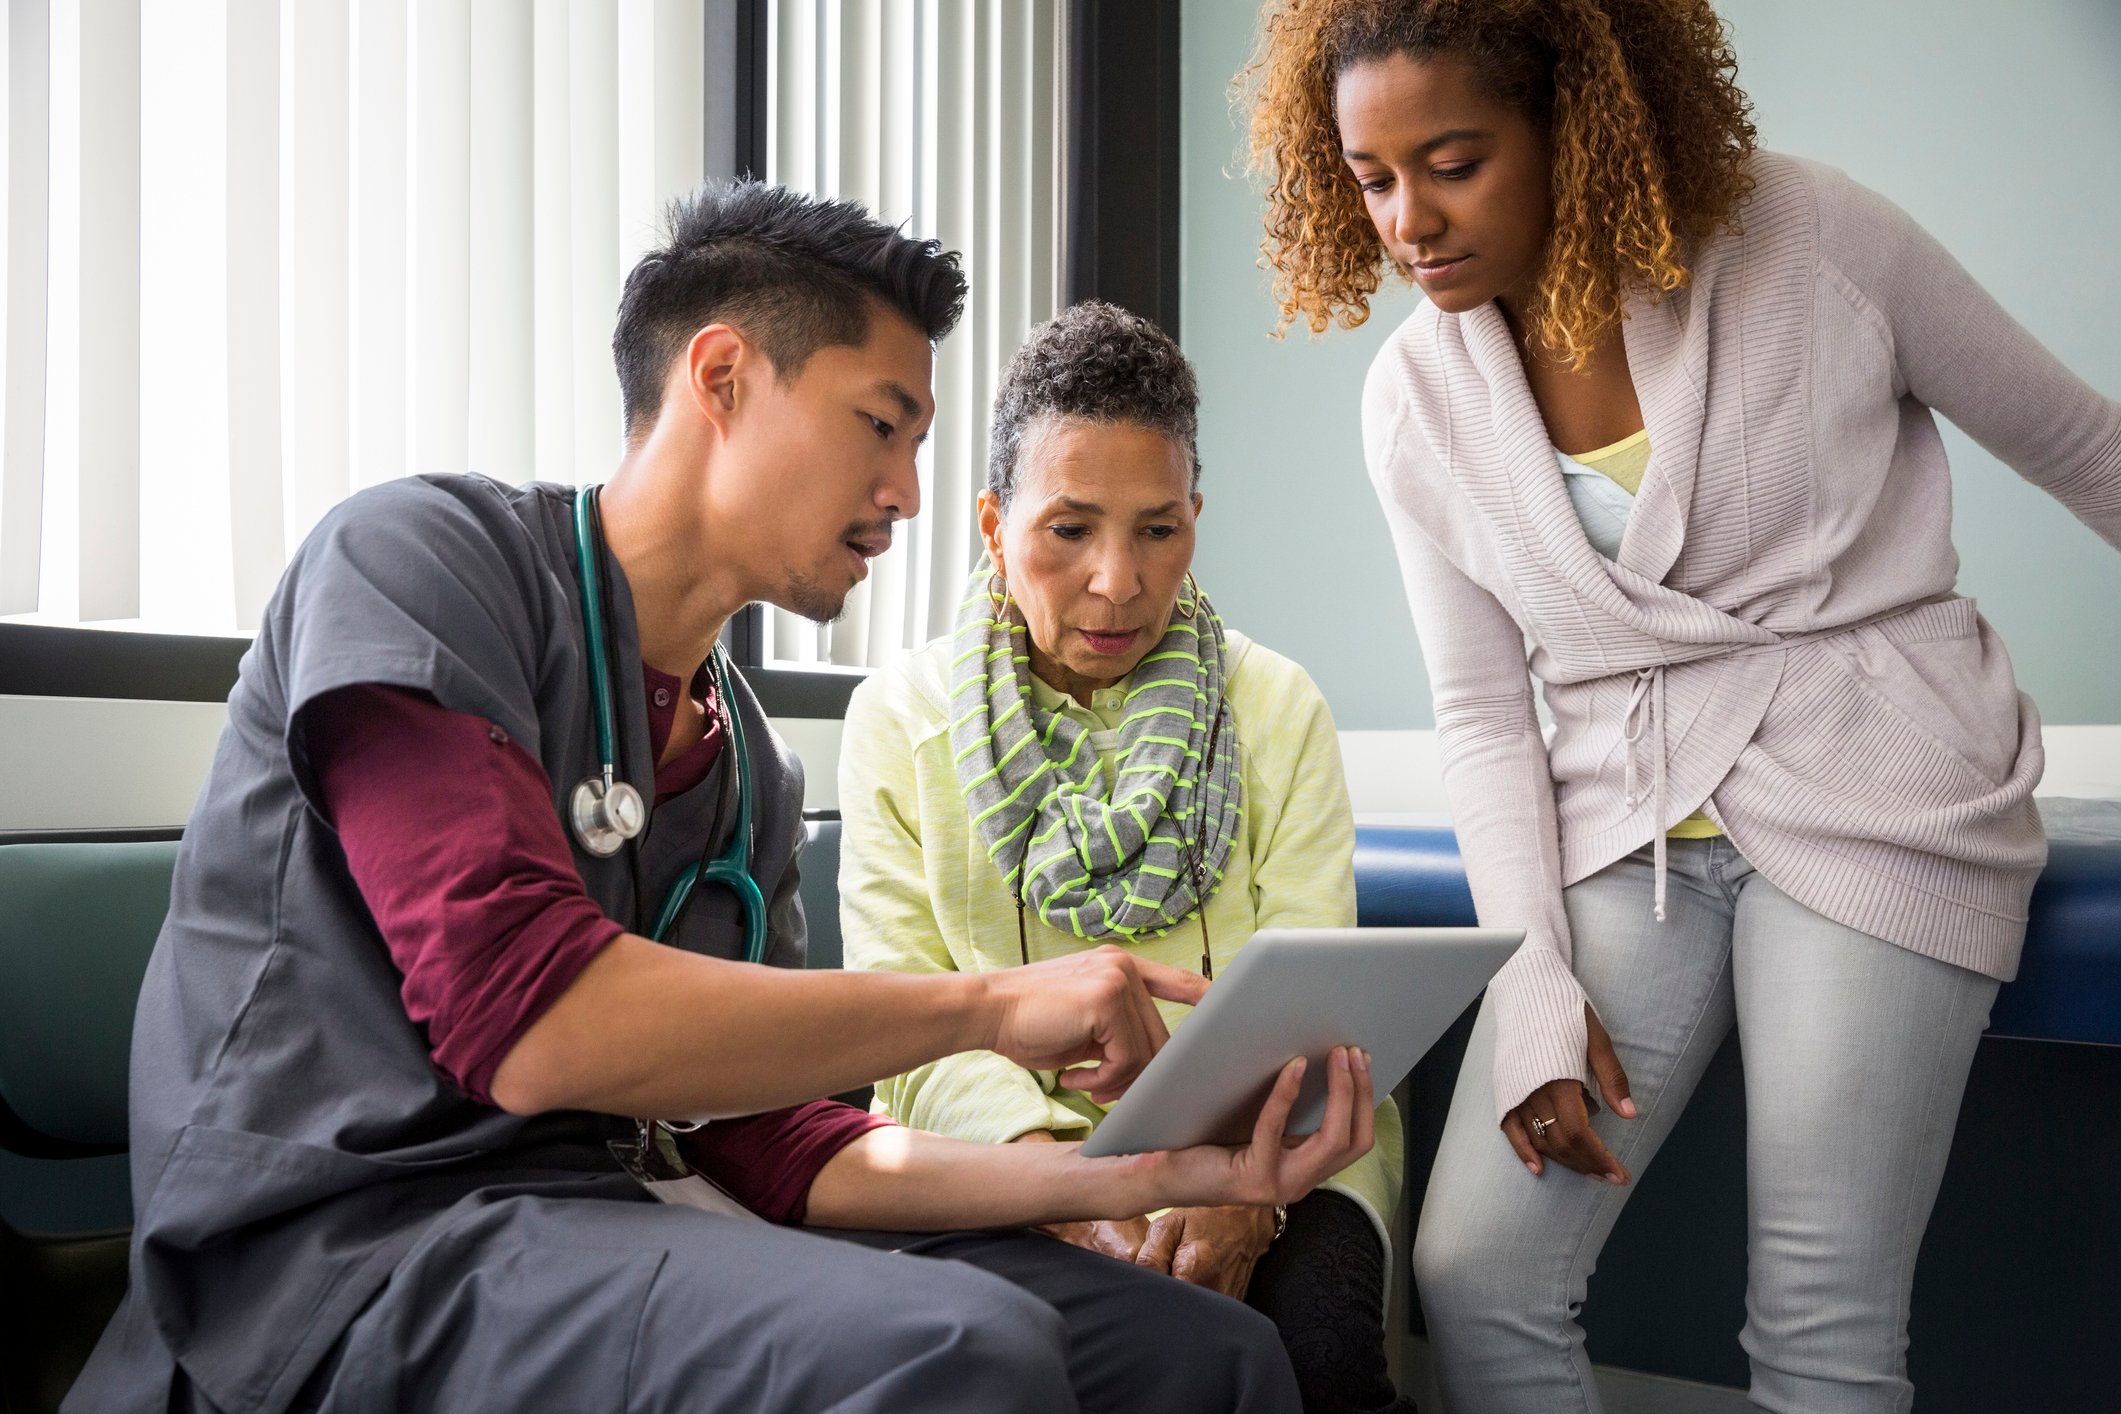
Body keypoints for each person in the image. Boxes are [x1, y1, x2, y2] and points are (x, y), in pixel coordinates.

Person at [65, 183, 1380, 1414]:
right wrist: (990, 1005)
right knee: (964, 1349)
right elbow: (525, 1016)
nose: (907, 497)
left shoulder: (746, 756)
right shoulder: (419, 562)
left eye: (921, 444)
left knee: (1206, 1354)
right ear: (723, 376)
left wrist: (1151, 1173)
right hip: (347, 1250)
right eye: (880, 424)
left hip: (610, 1216)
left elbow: (779, 1142)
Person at [1238, 1, 2121, 1410]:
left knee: (1818, 1316)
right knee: (1476, 1274)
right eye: (1371, 176)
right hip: (1626, 823)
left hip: (1878, 783)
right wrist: (1528, 983)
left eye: (1453, 161)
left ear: (1574, 123)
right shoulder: (1412, 395)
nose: (1408, 219)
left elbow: (2085, 445)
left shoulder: (1815, 240)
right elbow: (1479, 710)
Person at [839, 300, 1415, 1414]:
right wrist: (1062, 1180)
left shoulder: (1275, 704)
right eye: (1070, 529)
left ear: (1197, 516)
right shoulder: (899, 721)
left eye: (1158, 529)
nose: (1118, 579)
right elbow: (906, 1033)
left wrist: (1241, 1191)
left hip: (1286, 1147)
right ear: (996, 522)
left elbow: (1316, 1006)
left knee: (1322, 1364)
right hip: (1003, 1158)